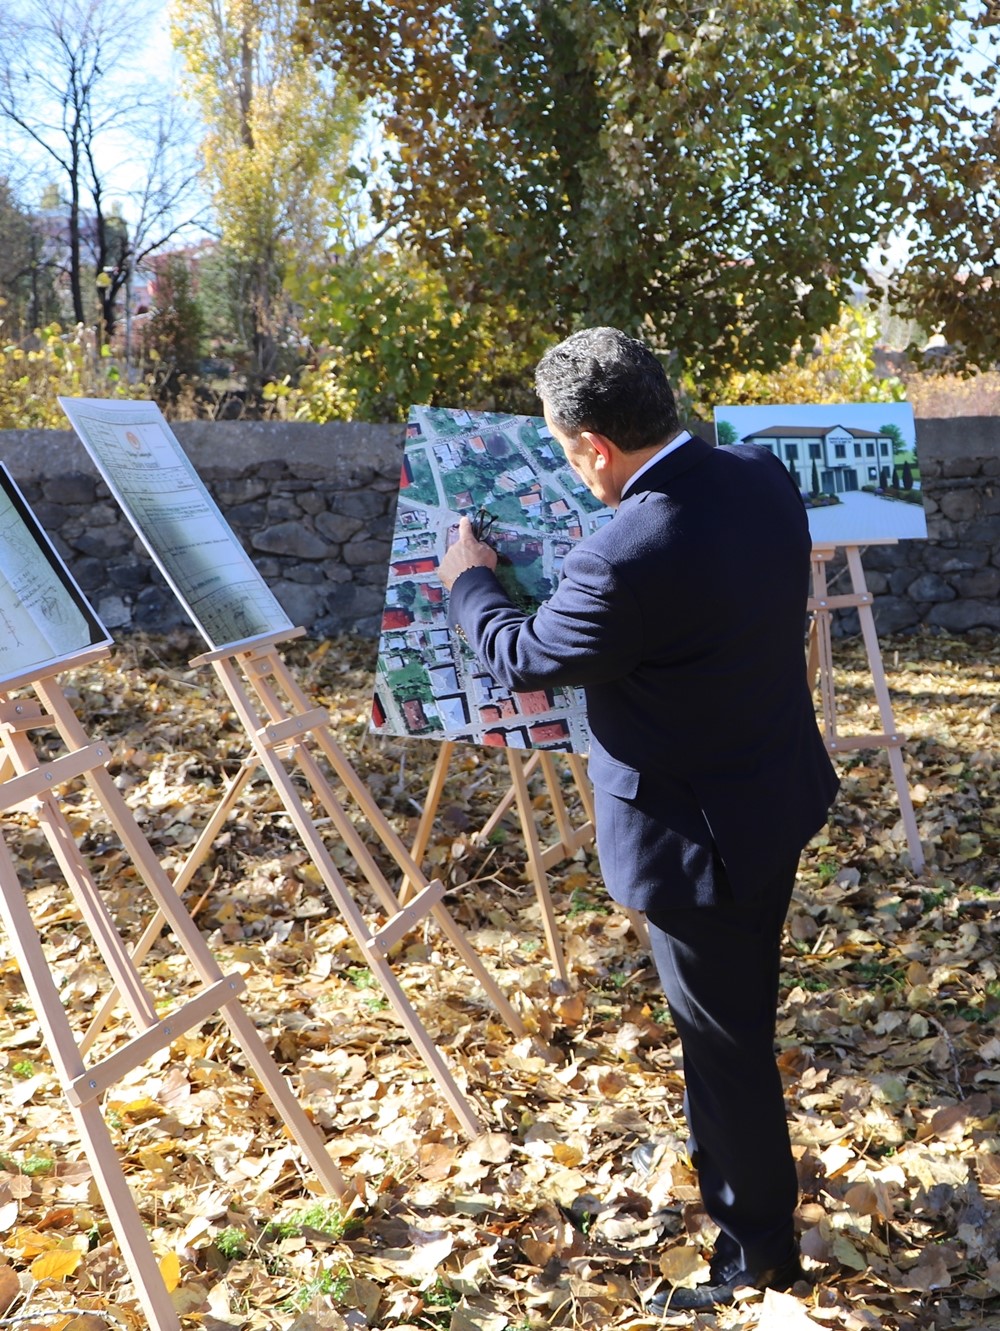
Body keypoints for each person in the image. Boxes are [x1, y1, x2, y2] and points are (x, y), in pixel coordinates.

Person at [437, 327, 839, 1313]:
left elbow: (525, 655)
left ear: (593, 448)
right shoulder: (762, 478)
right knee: (735, 1021)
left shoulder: (623, 555)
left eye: (562, 448)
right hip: (773, 796)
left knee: (725, 1044)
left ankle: (757, 1253)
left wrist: (466, 580)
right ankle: (746, 1200)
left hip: (698, 840)